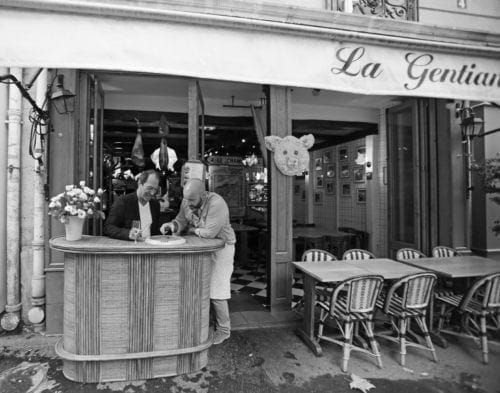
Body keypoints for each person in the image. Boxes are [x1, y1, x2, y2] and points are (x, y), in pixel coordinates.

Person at [160, 178, 235, 345]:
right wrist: (172, 225)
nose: (188, 203)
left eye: (192, 199)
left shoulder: (217, 203)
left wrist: (193, 229)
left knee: (217, 290)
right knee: (201, 288)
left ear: (204, 194)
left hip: (222, 249)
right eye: (186, 199)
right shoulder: (187, 201)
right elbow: (180, 220)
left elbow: (209, 233)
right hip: (201, 249)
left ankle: (224, 330)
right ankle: (205, 325)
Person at [104, 169, 161, 241]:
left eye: (155, 189)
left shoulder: (155, 205)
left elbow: (154, 231)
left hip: (150, 248)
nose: (152, 193)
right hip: (129, 249)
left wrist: (164, 228)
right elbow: (108, 227)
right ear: (139, 183)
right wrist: (128, 233)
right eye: (149, 188)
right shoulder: (123, 202)